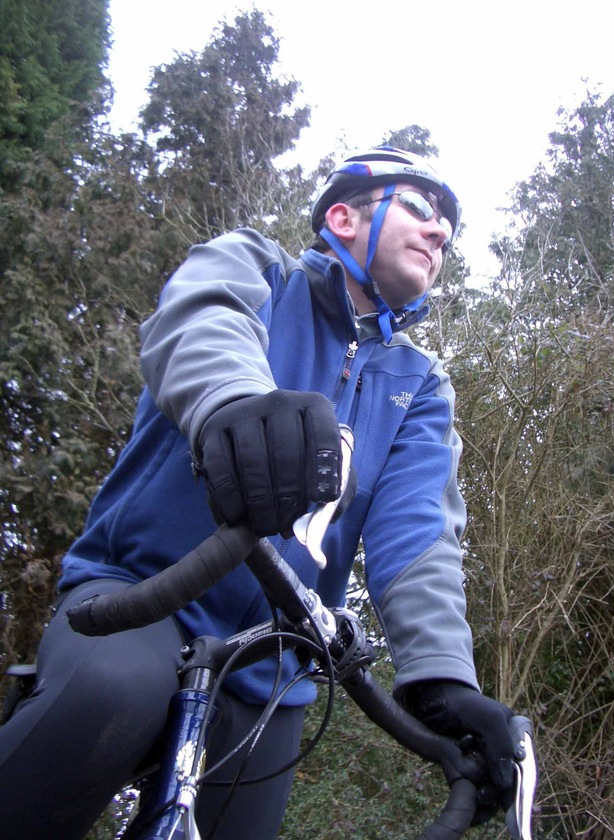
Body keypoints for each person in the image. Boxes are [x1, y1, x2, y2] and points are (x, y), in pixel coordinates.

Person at [0, 146, 518, 839]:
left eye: (448, 230)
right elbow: (202, 320)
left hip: (273, 662)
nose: (441, 233)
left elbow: (419, 531)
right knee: (104, 698)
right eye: (422, 209)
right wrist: (236, 405)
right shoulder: (257, 269)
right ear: (342, 216)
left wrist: (442, 680)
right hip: (139, 594)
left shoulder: (420, 386)